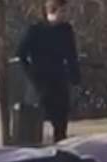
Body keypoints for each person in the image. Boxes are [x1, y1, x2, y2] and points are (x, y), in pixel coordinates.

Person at [17, 0, 82, 142]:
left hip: (59, 78)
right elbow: (21, 54)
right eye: (62, 11)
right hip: (40, 80)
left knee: (61, 120)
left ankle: (60, 148)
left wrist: (75, 78)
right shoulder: (35, 30)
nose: (65, 15)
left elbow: (72, 56)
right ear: (53, 11)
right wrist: (30, 74)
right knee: (38, 117)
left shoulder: (66, 30)